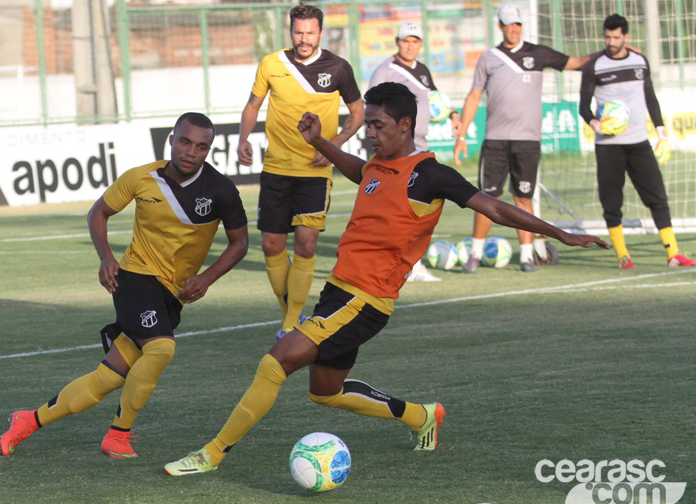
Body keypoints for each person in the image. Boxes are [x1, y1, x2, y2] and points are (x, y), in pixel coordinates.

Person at [164, 82, 608, 476]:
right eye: (369, 126)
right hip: (338, 292)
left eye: (377, 126)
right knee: (325, 393)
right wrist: (320, 142)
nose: (370, 133)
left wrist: (559, 233)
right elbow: (359, 171)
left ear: (405, 125)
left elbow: (492, 206)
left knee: (274, 362)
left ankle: (211, 454)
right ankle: (421, 416)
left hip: (365, 300)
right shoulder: (377, 166)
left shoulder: (429, 174)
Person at [0, 113, 249, 459]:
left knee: (108, 378)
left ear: (209, 150)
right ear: (172, 140)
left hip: (172, 294)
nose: (191, 151)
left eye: (202, 146)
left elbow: (240, 243)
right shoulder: (141, 178)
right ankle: (118, 434)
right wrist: (106, 257)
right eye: (185, 142)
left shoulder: (221, 190)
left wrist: (207, 278)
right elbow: (98, 213)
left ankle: (27, 420)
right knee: (161, 349)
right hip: (135, 277)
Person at [237, 3, 365, 340]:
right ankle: (289, 317)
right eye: (298, 32)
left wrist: (333, 145)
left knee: (306, 246)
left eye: (310, 32)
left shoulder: (338, 68)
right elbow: (253, 105)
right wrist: (242, 139)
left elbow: (358, 112)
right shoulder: (271, 64)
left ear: (320, 32)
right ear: (290, 31)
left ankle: (290, 324)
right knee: (271, 246)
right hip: (276, 169)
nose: (304, 38)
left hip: (314, 173)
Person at [453, 4, 595, 273]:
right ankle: (475, 254)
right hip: (495, 140)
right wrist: (461, 136)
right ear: (500, 26)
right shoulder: (489, 58)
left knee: (523, 198)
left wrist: (610, 52)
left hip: (527, 141)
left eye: (517, 24)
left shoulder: (538, 53)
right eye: (509, 24)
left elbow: (576, 63)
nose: (514, 29)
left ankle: (527, 257)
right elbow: (474, 96)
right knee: (486, 199)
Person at [579, 14, 696, 269]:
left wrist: (661, 131)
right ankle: (622, 255)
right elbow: (583, 106)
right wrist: (596, 124)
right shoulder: (593, 67)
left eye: (616, 37)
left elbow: (650, 97)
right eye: (607, 37)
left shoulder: (639, 61)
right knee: (612, 202)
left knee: (658, 197)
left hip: (639, 142)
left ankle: (673, 254)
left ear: (626, 37)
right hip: (608, 146)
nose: (611, 42)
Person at [369, 21, 461, 282]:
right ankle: (402, 264)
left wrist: (453, 113)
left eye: (415, 41)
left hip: (419, 147)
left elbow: (435, 97)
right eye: (405, 41)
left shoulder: (421, 70)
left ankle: (409, 264)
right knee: (396, 210)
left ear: (421, 44)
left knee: (420, 207)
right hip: (396, 150)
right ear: (397, 42)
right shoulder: (385, 70)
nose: (410, 46)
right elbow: (371, 107)